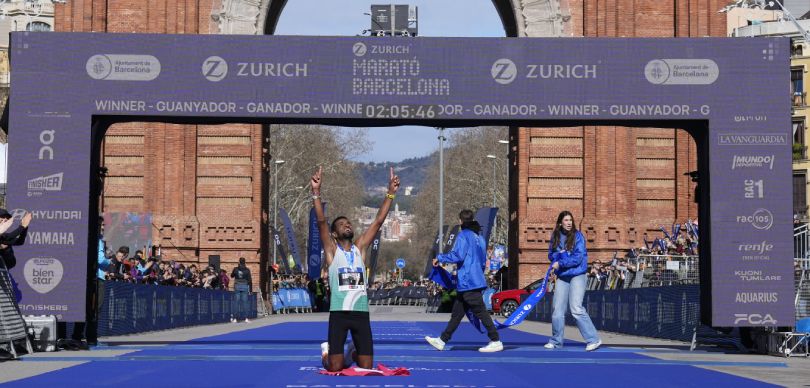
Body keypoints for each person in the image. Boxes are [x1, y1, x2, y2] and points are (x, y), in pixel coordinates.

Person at [312, 166, 399, 371]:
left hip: (360, 313)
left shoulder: (360, 248)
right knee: (334, 368)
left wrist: (391, 193)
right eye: (342, 224)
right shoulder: (332, 251)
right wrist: (316, 193)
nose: (347, 225)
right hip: (339, 313)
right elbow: (321, 222)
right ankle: (327, 351)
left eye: (348, 223)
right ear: (334, 234)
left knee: (366, 367)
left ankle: (352, 351)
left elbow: (378, 222)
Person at [425, 209, 503, 353]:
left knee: (481, 311)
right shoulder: (479, 238)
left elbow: (458, 255)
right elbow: (481, 261)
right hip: (475, 279)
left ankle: (495, 339)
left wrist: (440, 258)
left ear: (461, 221)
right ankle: (442, 340)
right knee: (457, 313)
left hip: (468, 281)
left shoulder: (463, 235)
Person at [544, 210, 601, 351]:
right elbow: (550, 255)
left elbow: (578, 258)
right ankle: (556, 341)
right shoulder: (555, 236)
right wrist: (558, 257)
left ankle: (593, 339)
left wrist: (561, 262)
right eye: (566, 220)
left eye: (570, 220)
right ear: (560, 223)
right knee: (557, 309)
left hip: (577, 274)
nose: (569, 223)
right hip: (563, 276)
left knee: (576, 308)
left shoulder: (578, 236)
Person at [0, 209, 31, 361]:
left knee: (7, 314)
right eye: (3, 219)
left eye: (6, 219)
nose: (5, 222)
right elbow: (9, 239)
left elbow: (17, 240)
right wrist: (22, 227)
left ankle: (8, 344)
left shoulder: (4, 235)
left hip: (4, 274)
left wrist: (25, 228)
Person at [231, 257, 253, 323]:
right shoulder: (247, 270)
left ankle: (235, 318)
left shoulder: (235, 269)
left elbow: (232, 275)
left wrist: (236, 272)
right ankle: (246, 318)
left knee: (236, 302)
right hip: (244, 286)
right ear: (244, 262)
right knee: (245, 302)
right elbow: (249, 280)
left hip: (237, 285)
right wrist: (251, 290)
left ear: (239, 262)